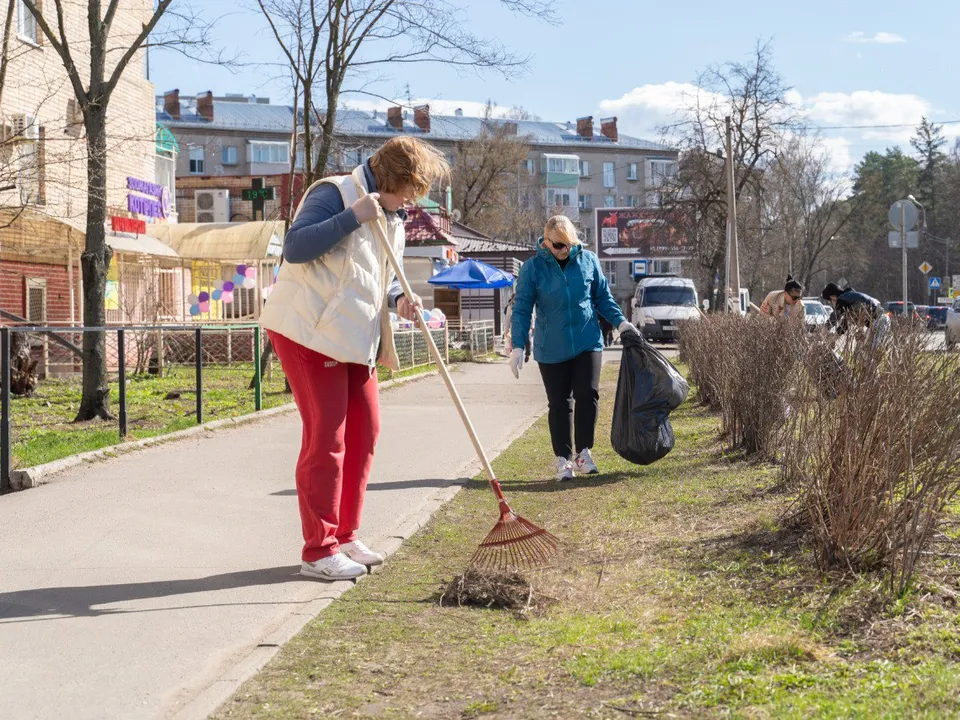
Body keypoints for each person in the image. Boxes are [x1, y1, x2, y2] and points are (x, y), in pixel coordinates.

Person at [260, 137, 448, 581]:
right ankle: (318, 550)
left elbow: (381, 276)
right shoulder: (334, 193)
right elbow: (296, 247)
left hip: (353, 337)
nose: (410, 201)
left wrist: (402, 297)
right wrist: (350, 217)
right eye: (408, 191)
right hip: (310, 331)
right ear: (390, 178)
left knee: (365, 431)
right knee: (327, 438)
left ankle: (344, 535)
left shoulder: (393, 216)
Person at [509, 215, 639, 481]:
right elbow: (522, 308)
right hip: (551, 347)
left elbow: (602, 296)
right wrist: (518, 346)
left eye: (569, 244)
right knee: (559, 403)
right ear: (545, 242)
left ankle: (583, 453)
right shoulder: (533, 269)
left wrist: (621, 322)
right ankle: (563, 460)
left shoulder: (588, 260)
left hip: (586, 340)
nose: (564, 250)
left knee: (588, 394)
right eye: (558, 246)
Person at [821, 282, 890, 345]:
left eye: (829, 302)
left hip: (879, 321)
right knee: (866, 348)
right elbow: (845, 323)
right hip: (882, 319)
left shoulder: (842, 299)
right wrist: (834, 338)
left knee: (873, 351)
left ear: (832, 297)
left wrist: (825, 328)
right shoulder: (850, 297)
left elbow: (835, 317)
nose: (831, 304)